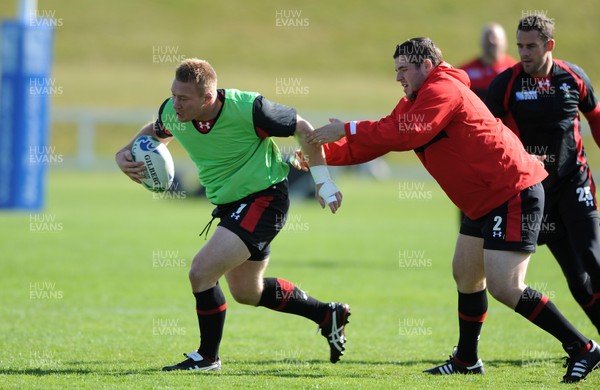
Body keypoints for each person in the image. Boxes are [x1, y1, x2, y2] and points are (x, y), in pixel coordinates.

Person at [298, 37, 600, 383]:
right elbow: (380, 139)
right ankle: (467, 360)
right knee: (466, 274)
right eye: (395, 70)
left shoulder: (443, 89)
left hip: (511, 190)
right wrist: (317, 158)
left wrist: (347, 127)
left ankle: (583, 348)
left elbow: (407, 134)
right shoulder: (415, 100)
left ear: (426, 65)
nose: (398, 77)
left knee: (506, 286)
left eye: (403, 69)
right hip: (483, 200)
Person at [115, 58, 350, 372]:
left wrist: (323, 181)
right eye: (173, 94)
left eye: (183, 98)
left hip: (265, 199)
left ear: (208, 98)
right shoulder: (174, 111)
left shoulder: (250, 109)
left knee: (201, 271)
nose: (175, 103)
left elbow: (302, 128)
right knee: (246, 292)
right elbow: (158, 128)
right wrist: (122, 153)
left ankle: (207, 358)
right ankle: (326, 314)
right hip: (230, 206)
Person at [486, 15, 600, 336]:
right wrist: (517, 156)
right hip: (536, 193)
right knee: (578, 280)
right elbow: (483, 133)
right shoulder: (505, 83)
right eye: (520, 46)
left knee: (594, 260)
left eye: (531, 46)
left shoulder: (573, 78)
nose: (523, 53)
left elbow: (596, 116)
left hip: (575, 183)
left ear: (549, 46)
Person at [459, 23, 517, 100]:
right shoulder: (465, 72)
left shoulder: (515, 71)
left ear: (505, 43)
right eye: (487, 39)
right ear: (480, 42)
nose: (491, 41)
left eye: (496, 38)